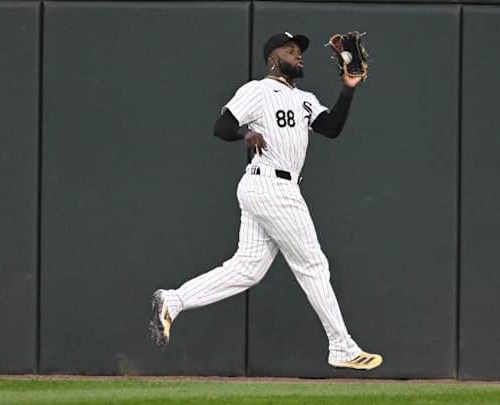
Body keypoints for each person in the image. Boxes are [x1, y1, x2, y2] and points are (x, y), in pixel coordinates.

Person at [149, 32, 382, 370]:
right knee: (313, 265)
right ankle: (342, 346)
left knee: (247, 269)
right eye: (290, 50)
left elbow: (331, 128)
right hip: (272, 186)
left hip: (271, 189)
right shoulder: (257, 90)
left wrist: (348, 87)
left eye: (299, 50)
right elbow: (222, 126)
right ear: (273, 59)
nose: (298, 55)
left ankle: (173, 300)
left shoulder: (304, 98)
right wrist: (246, 133)